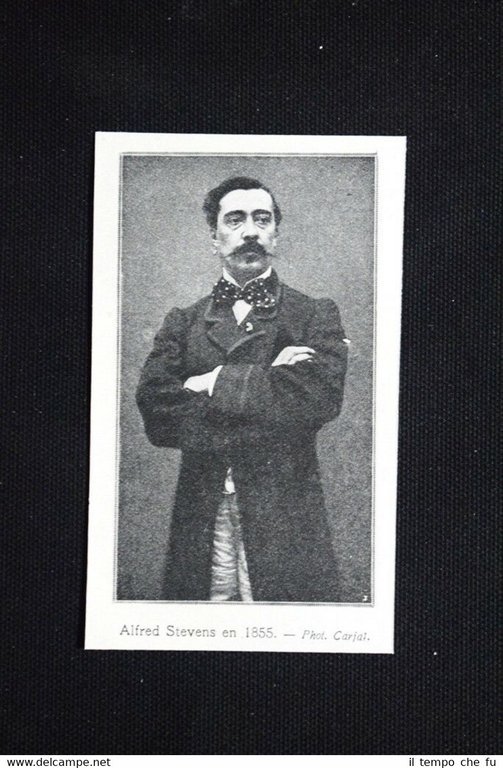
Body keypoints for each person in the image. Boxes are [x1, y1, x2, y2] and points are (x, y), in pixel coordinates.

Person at [136, 176, 348, 602]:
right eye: (235, 220)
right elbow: (157, 412)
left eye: (262, 219)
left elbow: (317, 400)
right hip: (202, 511)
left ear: (276, 235)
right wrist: (269, 380)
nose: (250, 231)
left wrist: (206, 382)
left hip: (285, 513)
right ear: (214, 239)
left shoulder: (313, 314)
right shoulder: (184, 321)